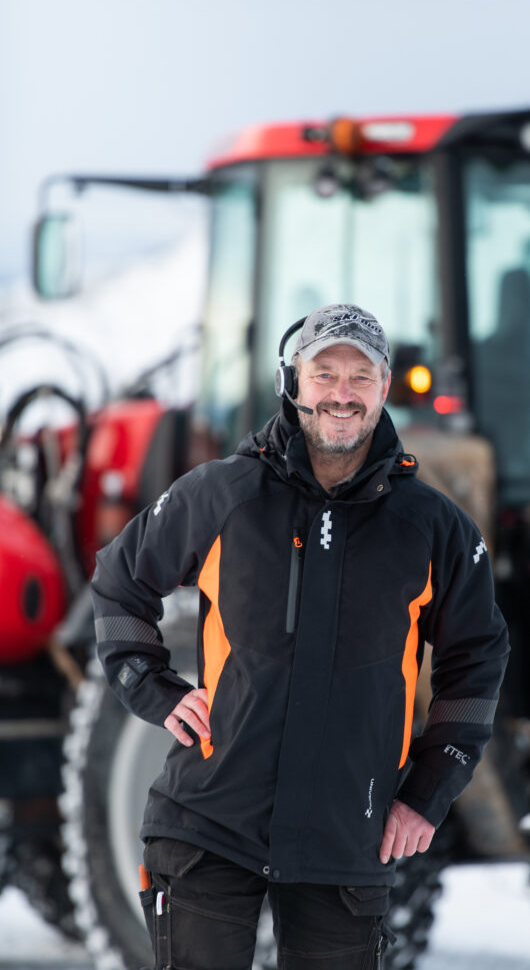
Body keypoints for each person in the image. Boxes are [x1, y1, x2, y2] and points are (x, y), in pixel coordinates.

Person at [92, 303, 509, 970]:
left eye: (360, 376)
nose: (341, 394)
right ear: (292, 381)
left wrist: (427, 792)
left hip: (347, 840)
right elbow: (118, 580)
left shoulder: (433, 529)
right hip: (208, 826)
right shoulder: (223, 494)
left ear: (384, 387)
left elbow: (477, 657)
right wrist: (152, 687)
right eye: (324, 373)